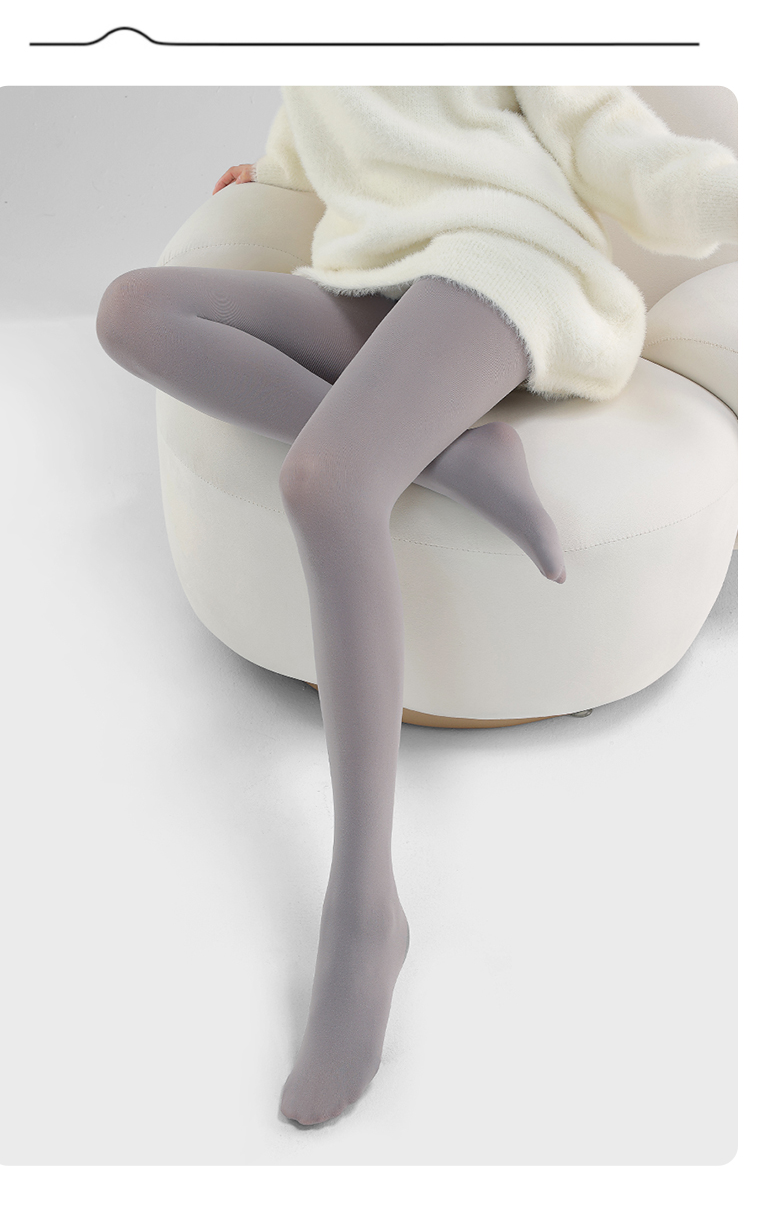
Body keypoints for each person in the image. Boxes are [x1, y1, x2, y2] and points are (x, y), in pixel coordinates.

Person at [96, 86, 737, 1126]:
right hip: (376, 286)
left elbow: (617, 146)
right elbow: (314, 147)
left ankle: (363, 911)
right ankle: (452, 452)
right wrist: (263, 182)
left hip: (502, 276)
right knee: (131, 308)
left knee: (325, 482)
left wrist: (725, 190)